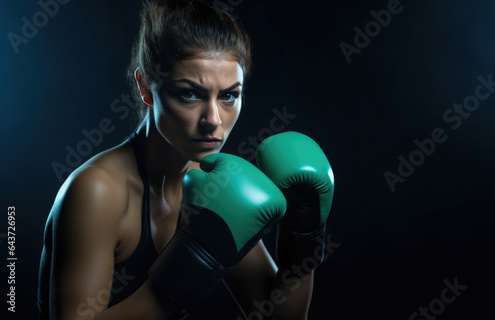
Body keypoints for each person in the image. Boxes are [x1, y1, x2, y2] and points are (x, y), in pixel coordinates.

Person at [38, 1, 334, 319]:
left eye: (229, 95)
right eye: (190, 94)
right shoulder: (97, 190)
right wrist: (191, 261)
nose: (212, 119)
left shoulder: (216, 186)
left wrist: (301, 244)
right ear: (145, 87)